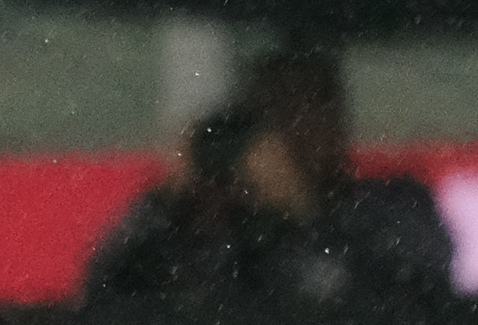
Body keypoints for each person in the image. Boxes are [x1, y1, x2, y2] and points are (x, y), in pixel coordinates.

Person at [85, 46, 454, 305]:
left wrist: (303, 210)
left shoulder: (394, 204)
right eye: (266, 113)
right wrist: (168, 201)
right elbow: (105, 287)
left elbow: (412, 288)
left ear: (335, 123)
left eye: (296, 110)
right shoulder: (232, 223)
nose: (280, 133)